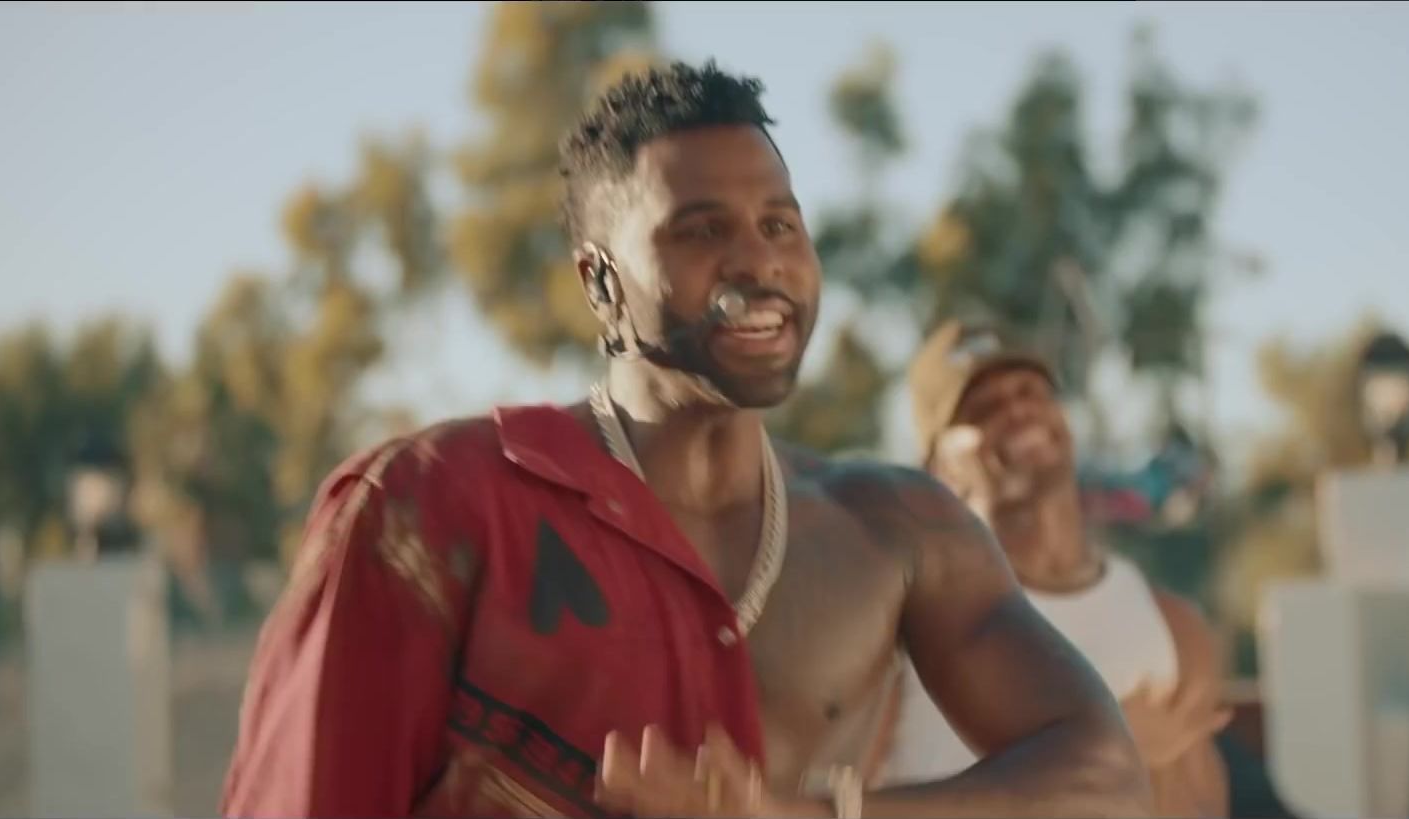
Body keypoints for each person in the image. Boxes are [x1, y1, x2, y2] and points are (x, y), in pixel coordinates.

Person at [220, 61, 1151, 819]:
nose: (760, 261)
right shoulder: (430, 505)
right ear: (600, 284)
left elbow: (1103, 777)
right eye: (702, 231)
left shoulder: (895, 527)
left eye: (781, 224)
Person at [873, 319, 1234, 818]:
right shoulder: (897, 631)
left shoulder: (1175, 630)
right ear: (940, 468)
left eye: (1032, 391)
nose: (1018, 410)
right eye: (983, 409)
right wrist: (1099, 756)